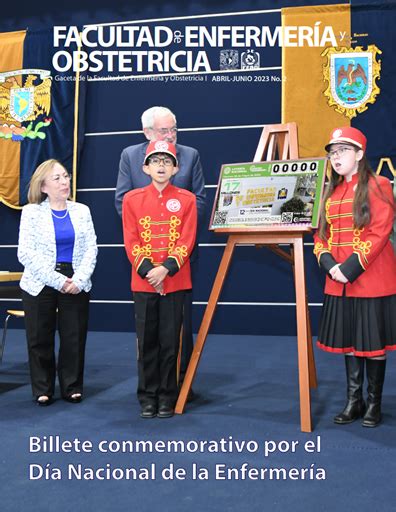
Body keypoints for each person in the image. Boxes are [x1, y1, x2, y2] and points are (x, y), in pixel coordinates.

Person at [115, 106, 205, 388]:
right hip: (143, 260)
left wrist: (169, 261)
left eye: (174, 130)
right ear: (147, 132)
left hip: (179, 259)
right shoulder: (131, 155)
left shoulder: (190, 155)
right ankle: (151, 388)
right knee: (149, 332)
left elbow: (199, 201)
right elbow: (122, 203)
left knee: (178, 329)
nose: (171, 136)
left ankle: (178, 386)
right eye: (164, 131)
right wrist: (149, 262)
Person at [314, 127, 396, 427]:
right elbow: (320, 234)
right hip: (338, 280)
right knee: (350, 342)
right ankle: (354, 400)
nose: (336, 158)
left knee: (372, 344)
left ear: (360, 154)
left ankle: (374, 404)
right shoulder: (330, 191)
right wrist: (327, 262)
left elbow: (380, 230)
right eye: (333, 153)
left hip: (369, 277)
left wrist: (348, 268)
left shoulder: (379, 183)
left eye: (343, 151)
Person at [122, 141, 197, 418]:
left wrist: (165, 269)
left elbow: (187, 239)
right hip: (143, 283)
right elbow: (131, 239)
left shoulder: (187, 200)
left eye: (167, 161)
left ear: (176, 168)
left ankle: (167, 395)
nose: (161, 166)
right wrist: (148, 271)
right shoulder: (132, 199)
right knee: (147, 341)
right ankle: (147, 395)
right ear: (145, 167)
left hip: (175, 280)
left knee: (170, 342)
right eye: (156, 161)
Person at [18, 159, 97, 406]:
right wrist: (58, 281)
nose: (65, 182)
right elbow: (25, 253)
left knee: (74, 336)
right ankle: (42, 388)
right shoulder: (31, 212)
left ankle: (71, 386)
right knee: (39, 337)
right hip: (41, 282)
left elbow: (91, 249)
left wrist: (80, 278)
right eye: (57, 178)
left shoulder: (81, 210)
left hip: (76, 281)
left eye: (66, 176)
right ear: (43, 186)